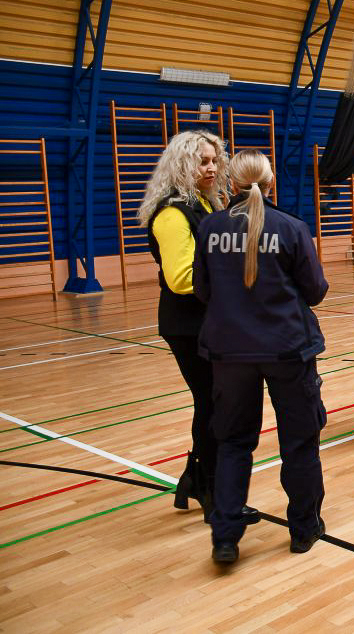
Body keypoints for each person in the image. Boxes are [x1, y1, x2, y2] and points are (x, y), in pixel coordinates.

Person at [193, 150, 329, 563]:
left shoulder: (210, 227)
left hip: (229, 351)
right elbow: (315, 290)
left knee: (233, 442)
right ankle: (304, 528)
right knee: (299, 441)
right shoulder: (291, 227)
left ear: (231, 184)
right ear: (270, 183)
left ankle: (225, 537)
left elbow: (201, 289)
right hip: (287, 348)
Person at [137, 130, 229, 521]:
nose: (211, 168)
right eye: (202, 161)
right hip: (188, 325)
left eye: (214, 161)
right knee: (212, 402)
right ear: (181, 165)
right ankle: (207, 484)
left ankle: (197, 477)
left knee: (215, 402)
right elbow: (181, 278)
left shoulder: (206, 203)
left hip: (209, 320)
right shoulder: (173, 213)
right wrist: (238, 281)